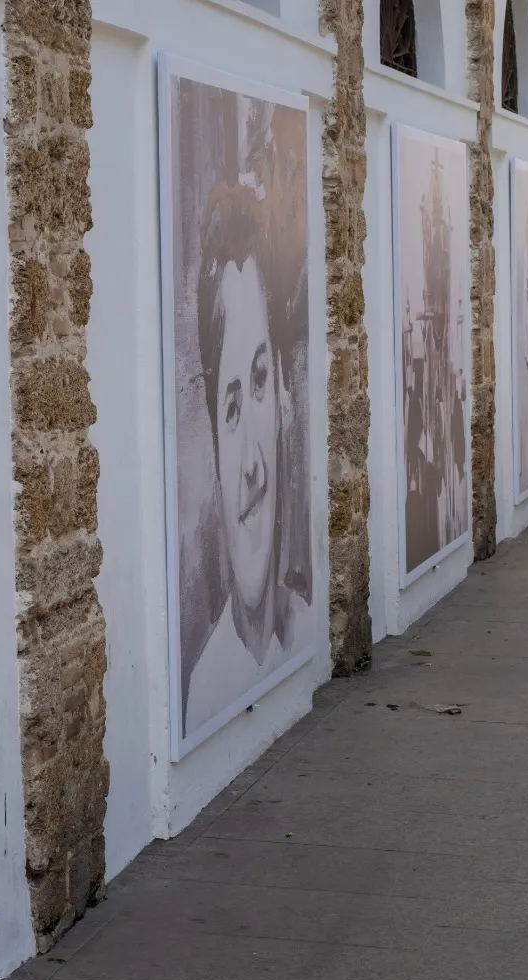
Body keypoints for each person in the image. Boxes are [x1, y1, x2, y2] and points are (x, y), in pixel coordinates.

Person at [184, 182, 313, 731]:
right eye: (231, 410)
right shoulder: (206, 688)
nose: (253, 466)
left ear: (284, 394)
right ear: (213, 443)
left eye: (260, 381)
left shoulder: (308, 624)